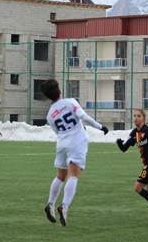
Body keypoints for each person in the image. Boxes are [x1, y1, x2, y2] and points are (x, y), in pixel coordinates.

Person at [40, 79, 109, 226]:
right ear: (59, 90)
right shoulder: (70, 102)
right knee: (74, 175)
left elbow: (57, 131)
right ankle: (64, 206)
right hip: (77, 141)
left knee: (60, 176)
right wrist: (100, 126)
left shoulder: (50, 114)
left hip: (62, 143)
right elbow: (83, 117)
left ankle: (50, 203)